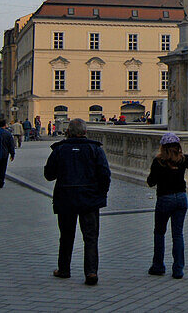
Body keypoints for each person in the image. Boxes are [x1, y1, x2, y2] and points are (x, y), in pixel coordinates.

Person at [44, 118, 111, 285]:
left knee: (66, 235)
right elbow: (105, 174)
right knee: (90, 237)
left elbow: (49, 175)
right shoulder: (95, 149)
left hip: (66, 197)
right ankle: (91, 272)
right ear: (85, 132)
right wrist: (100, 194)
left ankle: (64, 269)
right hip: (89, 198)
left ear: (67, 132)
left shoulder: (59, 150)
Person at [147, 131, 188, 278]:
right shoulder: (183, 159)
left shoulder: (159, 161)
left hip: (165, 199)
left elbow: (151, 182)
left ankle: (158, 266)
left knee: (160, 232)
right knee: (178, 234)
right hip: (181, 197)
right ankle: (178, 269)